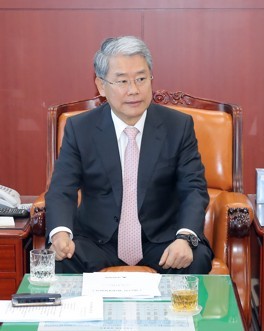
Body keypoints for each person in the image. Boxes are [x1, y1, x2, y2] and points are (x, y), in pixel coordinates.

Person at [45, 36, 213, 274]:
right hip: (98, 241)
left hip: (160, 241)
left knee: (195, 258)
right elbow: (62, 188)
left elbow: (193, 188)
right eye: (122, 81)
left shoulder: (178, 126)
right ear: (102, 86)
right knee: (59, 259)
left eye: (141, 79)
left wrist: (185, 237)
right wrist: (60, 233)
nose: (134, 90)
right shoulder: (80, 128)